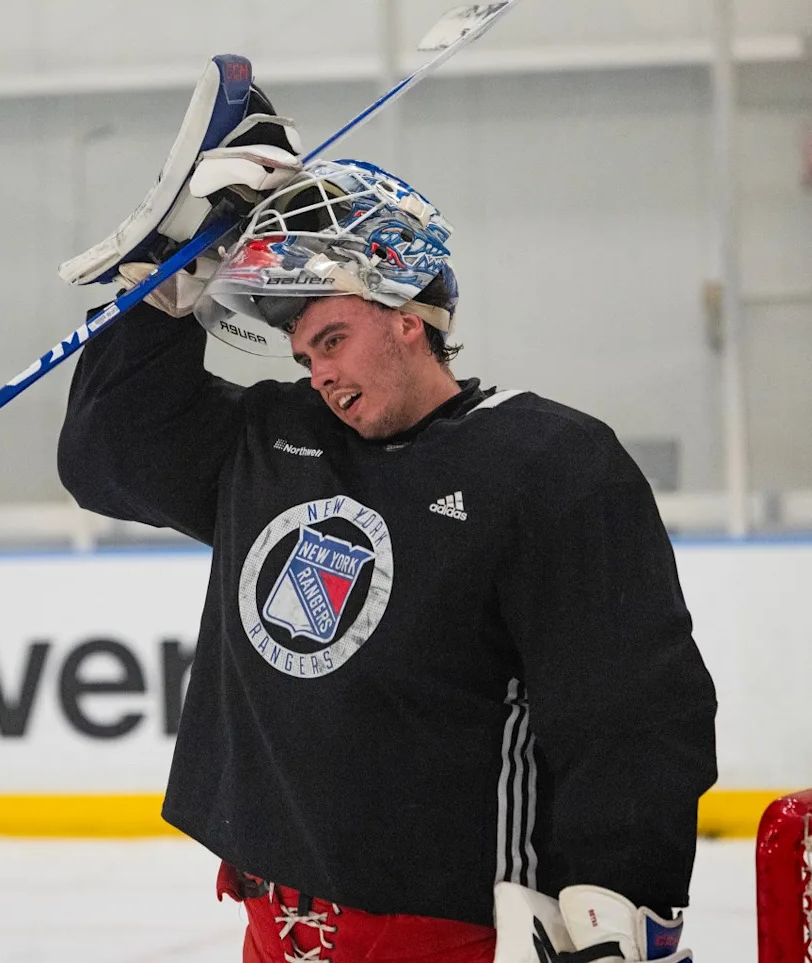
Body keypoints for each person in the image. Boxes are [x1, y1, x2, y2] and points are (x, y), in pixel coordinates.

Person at [57, 65, 717, 963]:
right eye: (301, 352)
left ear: (407, 315)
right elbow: (108, 457)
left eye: (331, 338)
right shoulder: (273, 440)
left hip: (448, 934)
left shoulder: (547, 462)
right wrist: (164, 291)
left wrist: (619, 900)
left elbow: (631, 708)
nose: (317, 370)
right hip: (278, 926)